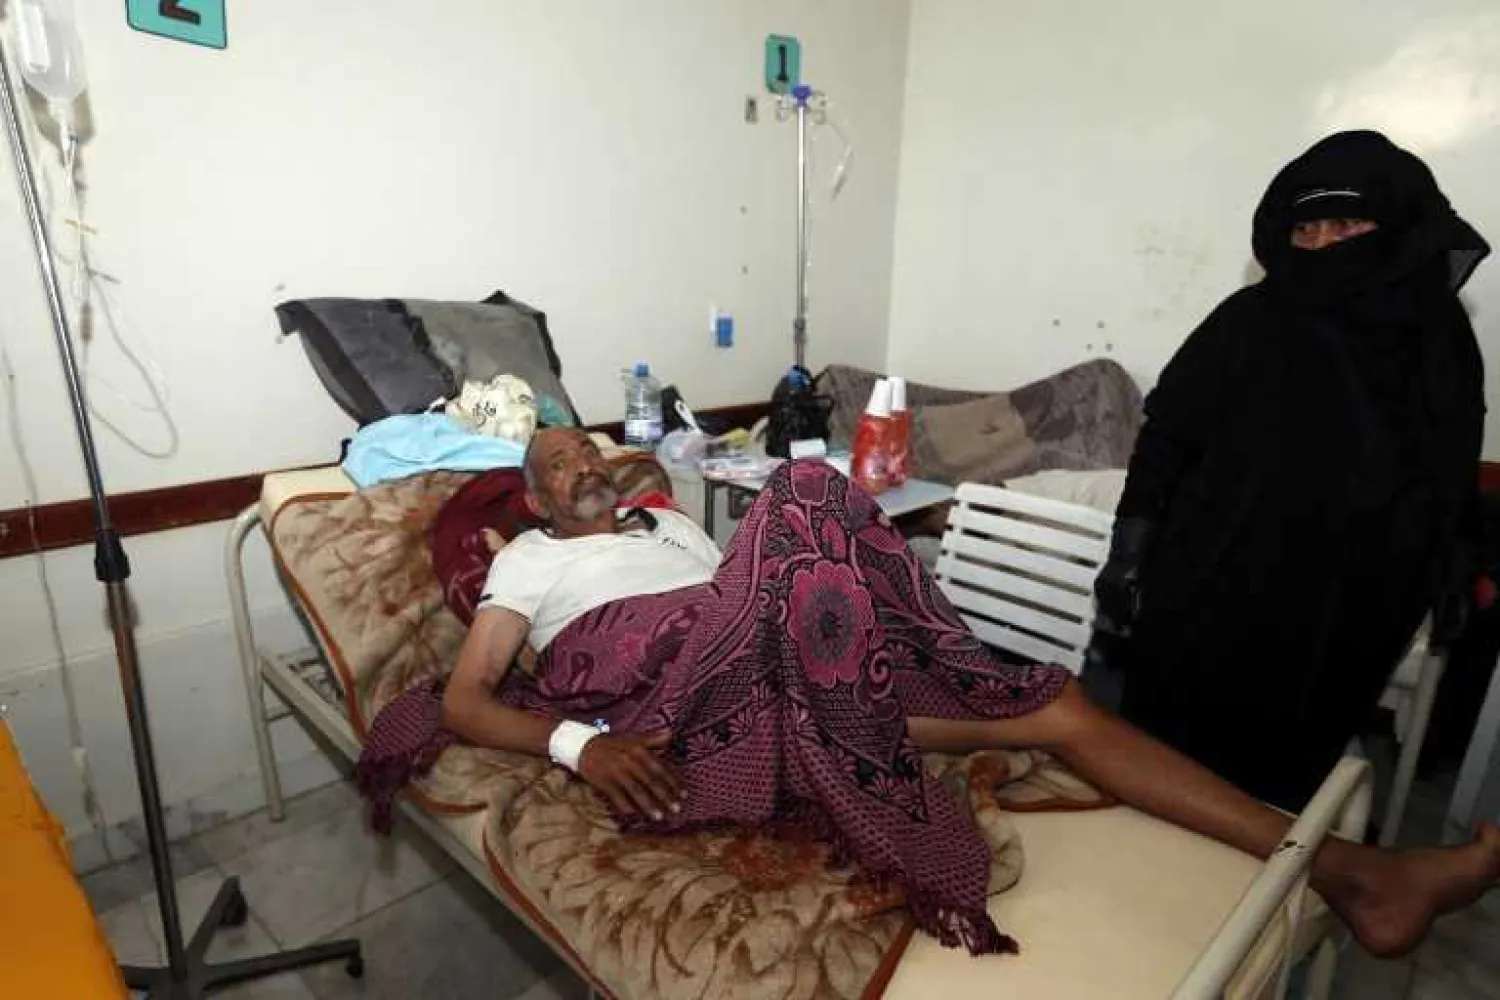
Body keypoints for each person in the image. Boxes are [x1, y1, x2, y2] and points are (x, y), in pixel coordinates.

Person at [436, 425, 1499, 958]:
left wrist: (647, 492)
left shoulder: (668, 524)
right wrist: (580, 745)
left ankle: (1355, 872)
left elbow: (749, 603)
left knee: (1056, 703)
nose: (580, 462)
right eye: (557, 459)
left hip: (780, 683)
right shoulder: (528, 560)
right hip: (678, 708)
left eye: (587, 447)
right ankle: (941, 646)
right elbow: (468, 701)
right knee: (807, 484)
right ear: (532, 496)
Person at [1089, 131, 1491, 813]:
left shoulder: (1437, 340)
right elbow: (1169, 434)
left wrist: (1455, 563)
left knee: (1278, 777)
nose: (1323, 245)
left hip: (1347, 604)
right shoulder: (1248, 320)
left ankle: (1259, 891)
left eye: (1346, 225)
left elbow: (1450, 462)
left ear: (1394, 230)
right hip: (1211, 578)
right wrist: (1130, 548)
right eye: (1306, 228)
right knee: (1162, 755)